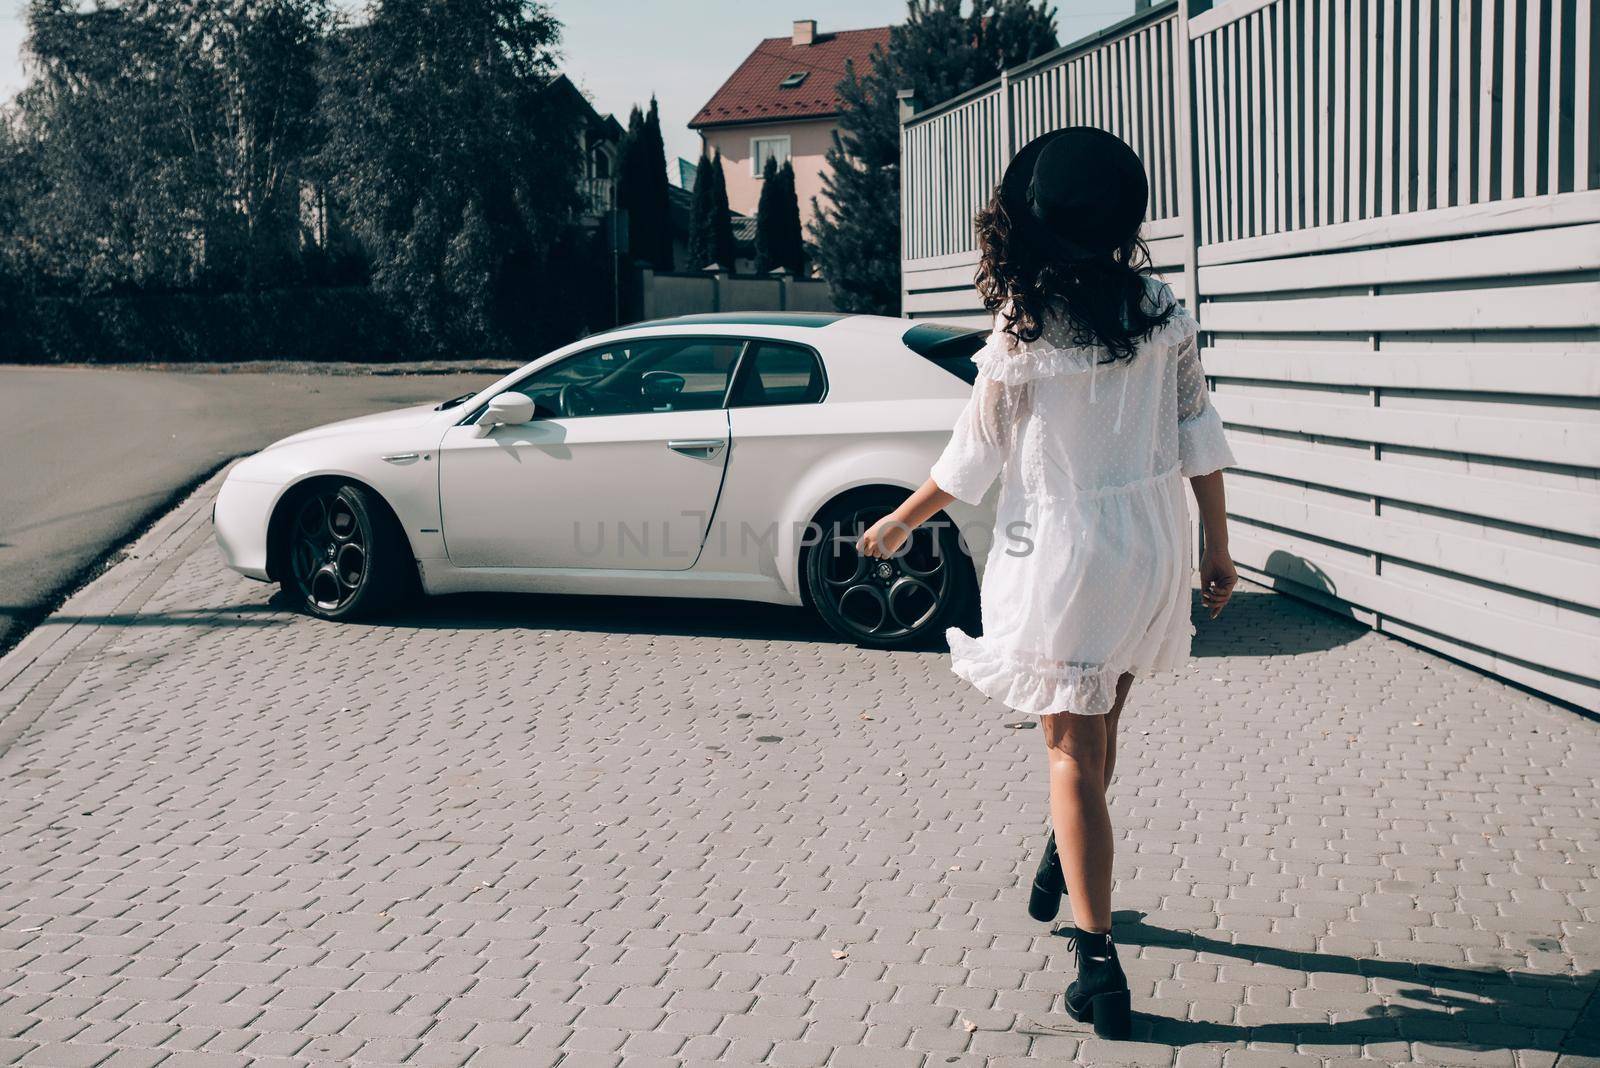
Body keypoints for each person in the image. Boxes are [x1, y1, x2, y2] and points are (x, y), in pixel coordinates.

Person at [857, 127, 1236, 1039]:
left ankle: (1098, 965)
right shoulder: (1160, 308)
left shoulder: (1023, 323)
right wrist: (1216, 548)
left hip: (1062, 545)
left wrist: (901, 519)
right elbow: (1199, 433)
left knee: (1069, 750)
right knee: (1098, 726)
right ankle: (1067, 850)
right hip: (1148, 542)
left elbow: (973, 456)